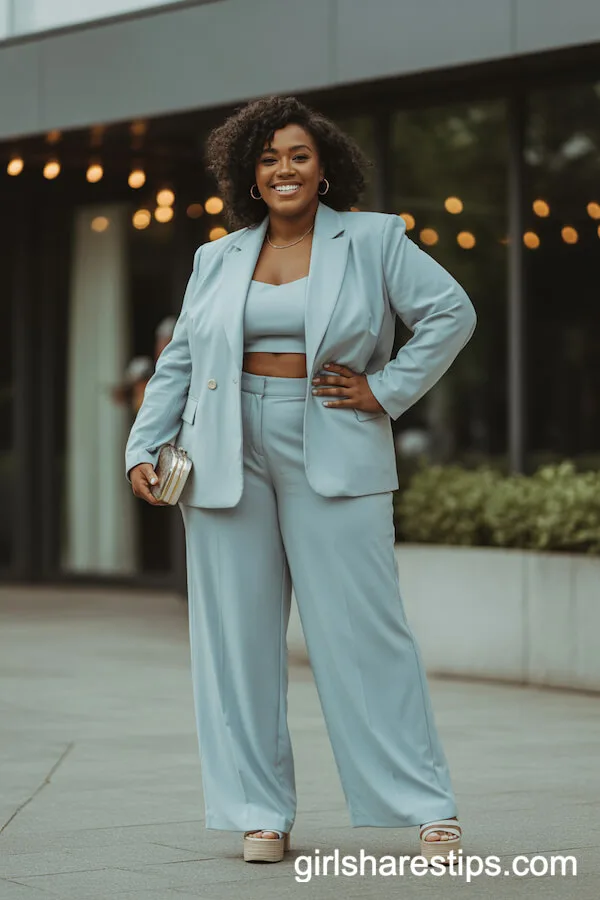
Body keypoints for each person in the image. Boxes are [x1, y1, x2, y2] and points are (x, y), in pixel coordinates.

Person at [125, 95, 476, 865]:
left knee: (364, 633)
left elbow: (451, 312)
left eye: (299, 156)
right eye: (269, 158)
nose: (284, 169)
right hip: (221, 449)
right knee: (237, 643)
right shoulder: (216, 258)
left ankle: (426, 805)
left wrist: (385, 390)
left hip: (334, 437)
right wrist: (142, 445)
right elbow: (181, 359)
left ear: (323, 171)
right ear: (250, 175)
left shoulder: (376, 239)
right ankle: (259, 811)